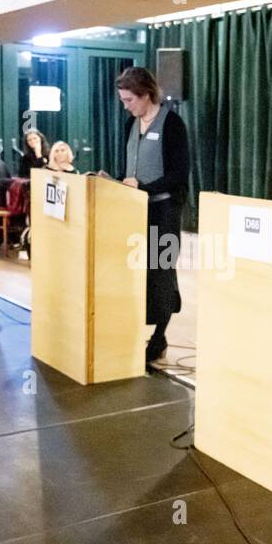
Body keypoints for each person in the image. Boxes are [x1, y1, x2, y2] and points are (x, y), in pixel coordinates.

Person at [116, 66, 189, 365]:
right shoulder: (129, 125)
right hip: (134, 212)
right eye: (123, 100)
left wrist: (145, 187)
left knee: (161, 273)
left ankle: (159, 336)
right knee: (137, 272)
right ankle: (136, 329)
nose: (126, 106)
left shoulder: (172, 124)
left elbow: (179, 173)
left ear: (146, 94)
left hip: (164, 210)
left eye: (130, 100)